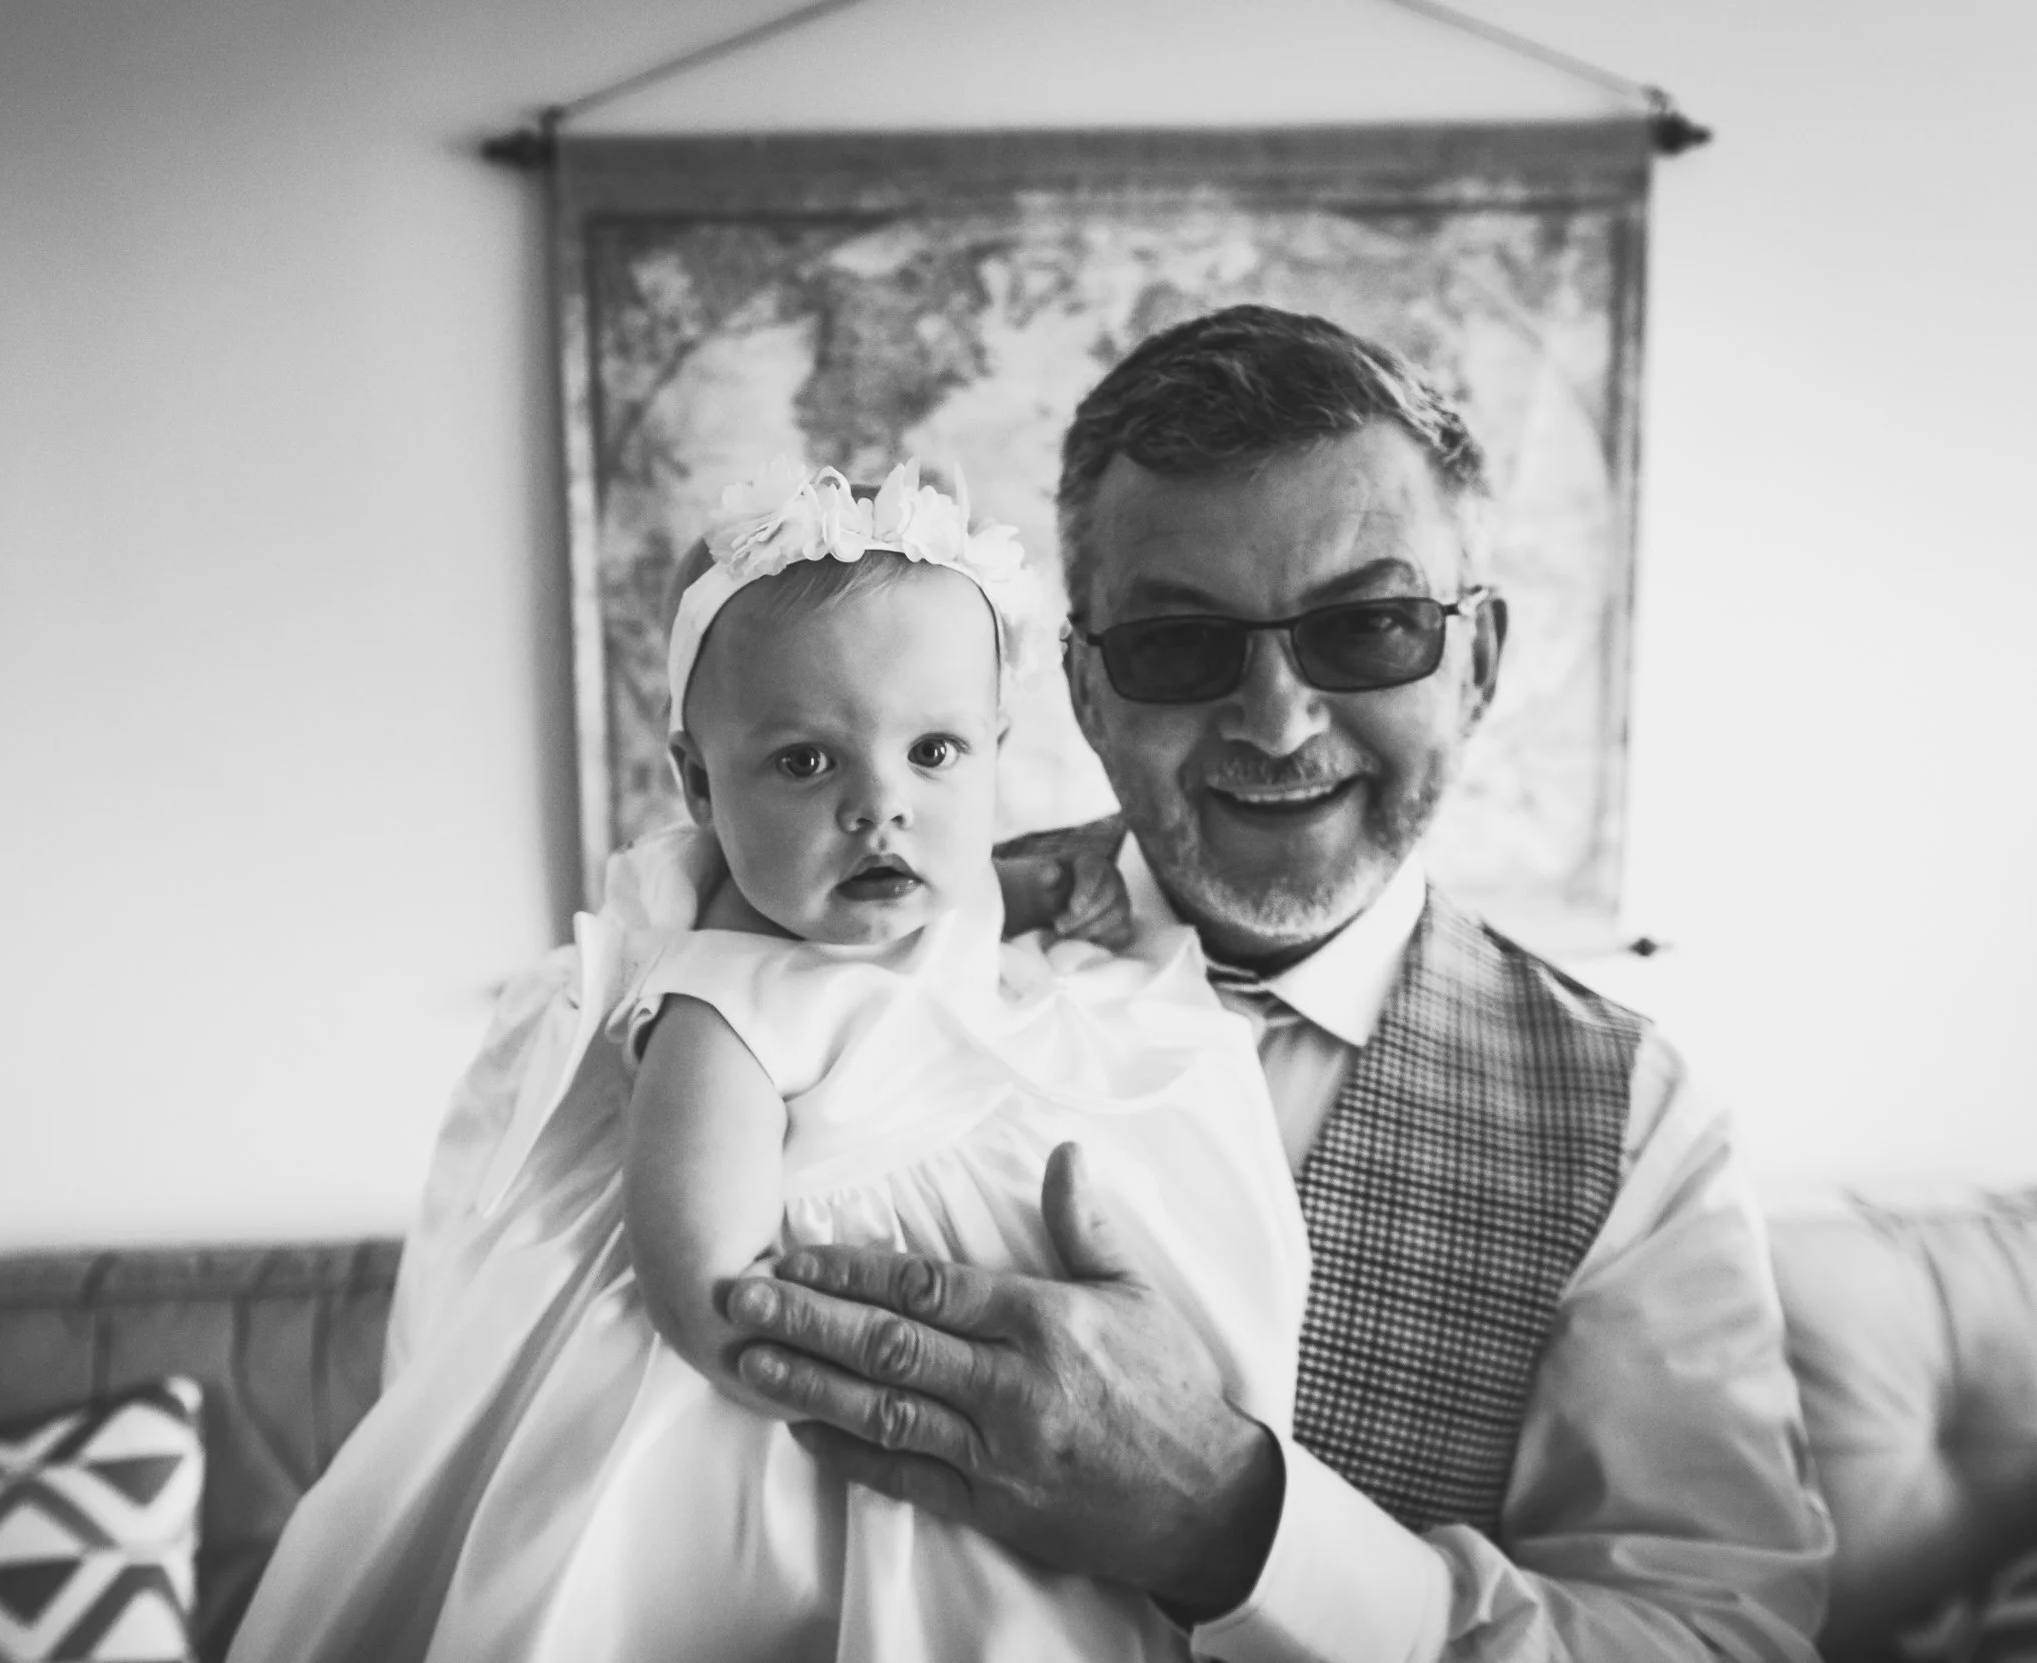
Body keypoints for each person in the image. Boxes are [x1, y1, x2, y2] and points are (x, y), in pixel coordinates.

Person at [715, 307, 1837, 1660]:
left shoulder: (1636, 1124)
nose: (1278, 718)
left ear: (1476, 661)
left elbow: (1720, 1637)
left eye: (1367, 627)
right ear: (1084, 687)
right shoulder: (815, 965)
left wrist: (1222, 1520)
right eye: (1183, 646)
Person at [228, 459, 1309, 1661]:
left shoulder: (926, 897)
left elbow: (947, 909)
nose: (879, 807)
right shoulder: (724, 1003)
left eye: (936, 752)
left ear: (998, 748)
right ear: (700, 783)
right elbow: (707, 1285)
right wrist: (905, 1403)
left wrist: (1027, 881)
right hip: (838, 1454)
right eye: (805, 762)